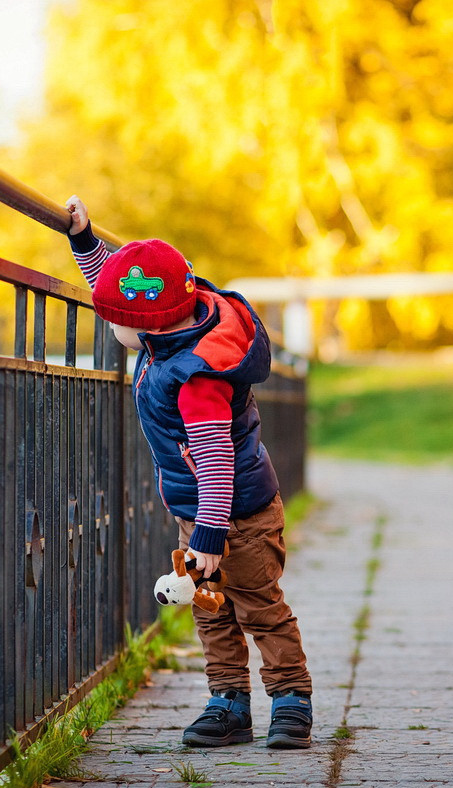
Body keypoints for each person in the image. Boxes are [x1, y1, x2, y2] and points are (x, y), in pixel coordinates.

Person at [63, 195, 313, 749]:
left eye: (116, 325)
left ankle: (291, 701)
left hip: (233, 513)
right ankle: (228, 703)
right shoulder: (179, 318)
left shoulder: (197, 377)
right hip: (200, 512)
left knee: (258, 607)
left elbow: (217, 460)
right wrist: (84, 240)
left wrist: (209, 535)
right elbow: (120, 285)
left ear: (145, 327)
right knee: (211, 609)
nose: (112, 331)